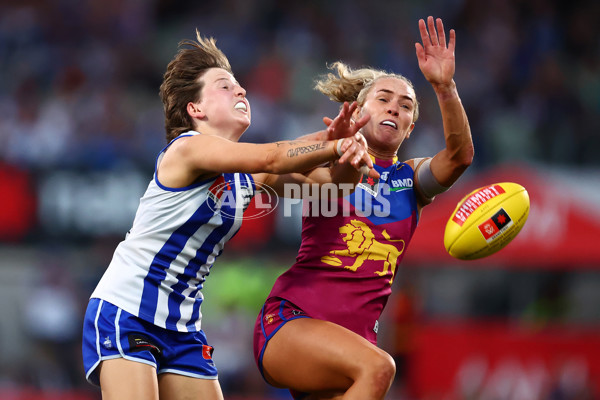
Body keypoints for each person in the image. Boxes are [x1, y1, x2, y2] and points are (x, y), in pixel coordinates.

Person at [81, 31, 376, 400]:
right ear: (195, 109)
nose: (242, 92)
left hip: (183, 327)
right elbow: (273, 155)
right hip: (127, 310)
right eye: (225, 86)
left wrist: (349, 152)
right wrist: (331, 141)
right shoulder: (185, 150)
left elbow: (333, 187)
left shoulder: (249, 175)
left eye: (240, 87)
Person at [253, 16, 474, 400]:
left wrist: (444, 86)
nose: (394, 109)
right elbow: (269, 170)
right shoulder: (327, 165)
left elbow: (459, 157)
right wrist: (328, 141)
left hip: (352, 347)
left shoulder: (411, 181)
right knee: (381, 366)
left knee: (373, 367)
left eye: (405, 106)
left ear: (409, 127)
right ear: (357, 112)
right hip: (291, 322)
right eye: (383, 100)